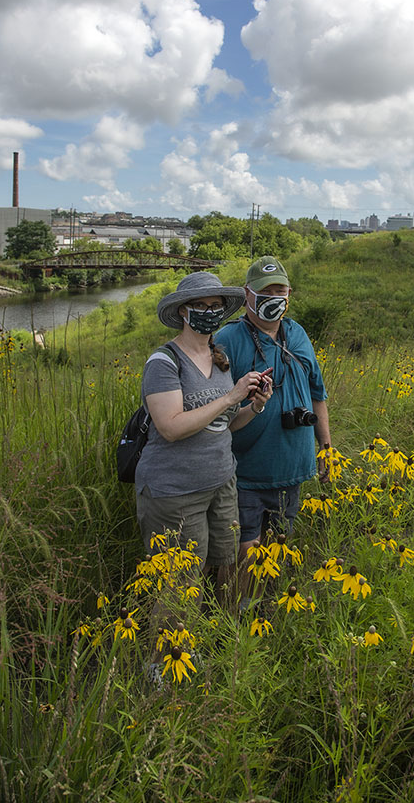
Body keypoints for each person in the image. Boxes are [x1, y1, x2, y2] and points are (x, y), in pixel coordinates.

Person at [135, 271, 272, 603]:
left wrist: (253, 406)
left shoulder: (220, 356)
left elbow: (221, 425)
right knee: (181, 586)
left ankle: (220, 643)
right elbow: (170, 426)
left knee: (226, 570)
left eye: (216, 305)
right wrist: (229, 398)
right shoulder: (164, 362)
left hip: (221, 484)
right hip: (176, 492)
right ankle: (166, 654)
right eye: (200, 305)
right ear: (183, 311)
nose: (209, 311)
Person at [214, 256, 331, 561]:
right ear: (247, 294)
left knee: (277, 554)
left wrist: (326, 447)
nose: (274, 299)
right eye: (266, 292)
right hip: (246, 474)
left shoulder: (298, 335)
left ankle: (265, 608)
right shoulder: (228, 339)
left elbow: (318, 395)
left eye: (281, 291)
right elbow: (214, 408)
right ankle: (238, 608)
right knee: (245, 557)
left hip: (292, 470)